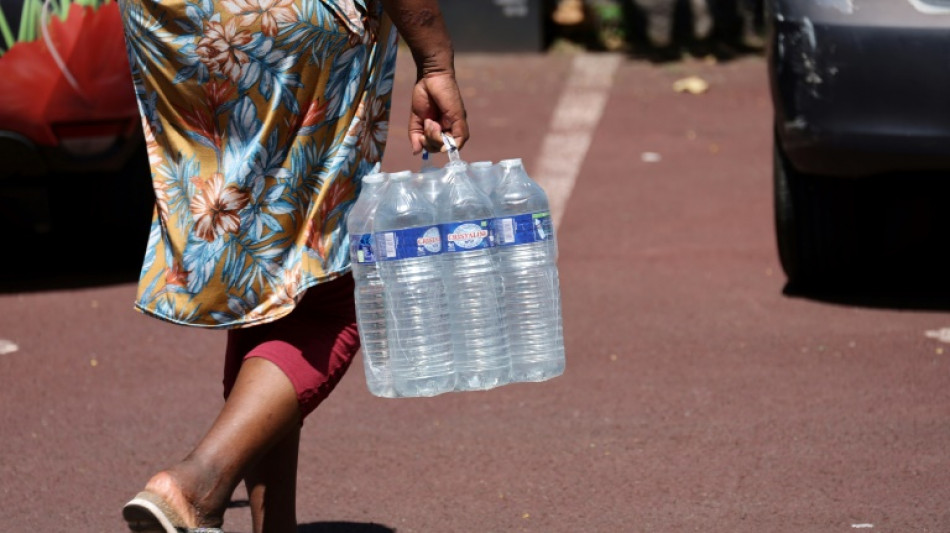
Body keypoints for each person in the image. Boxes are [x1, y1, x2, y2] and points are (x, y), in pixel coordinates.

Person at [117, 0, 468, 531]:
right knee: (334, 294)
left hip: (175, 26)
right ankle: (197, 485)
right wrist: (435, 63)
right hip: (284, 24)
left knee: (272, 270)